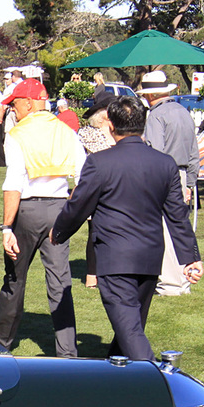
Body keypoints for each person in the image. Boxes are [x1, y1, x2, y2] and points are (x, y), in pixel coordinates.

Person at [49, 96, 203, 361]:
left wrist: (59, 231)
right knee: (130, 327)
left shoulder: (100, 162)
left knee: (130, 330)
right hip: (150, 256)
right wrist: (190, 258)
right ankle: (120, 378)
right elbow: (178, 215)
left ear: (111, 126)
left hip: (116, 257)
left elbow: (79, 205)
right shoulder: (165, 163)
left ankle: (158, 382)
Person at [0, 78, 86, 357]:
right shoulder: (67, 132)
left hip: (27, 212)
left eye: (15, 104)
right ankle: (67, 351)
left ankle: (0, 341)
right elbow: (84, 178)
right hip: (59, 210)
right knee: (60, 281)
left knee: (15, 277)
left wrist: (6, 227)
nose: (13, 111)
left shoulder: (18, 134)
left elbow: (13, 184)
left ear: (29, 103)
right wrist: (73, 210)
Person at [141, 70, 200, 296]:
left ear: (150, 95)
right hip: (183, 173)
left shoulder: (156, 116)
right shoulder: (183, 111)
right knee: (179, 226)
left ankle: (170, 283)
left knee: (164, 229)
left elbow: (156, 152)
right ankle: (183, 278)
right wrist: (190, 183)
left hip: (164, 175)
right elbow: (194, 151)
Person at [76, 92, 118, 290]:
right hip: (96, 187)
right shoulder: (87, 134)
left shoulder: (121, 132)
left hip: (119, 187)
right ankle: (92, 275)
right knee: (96, 232)